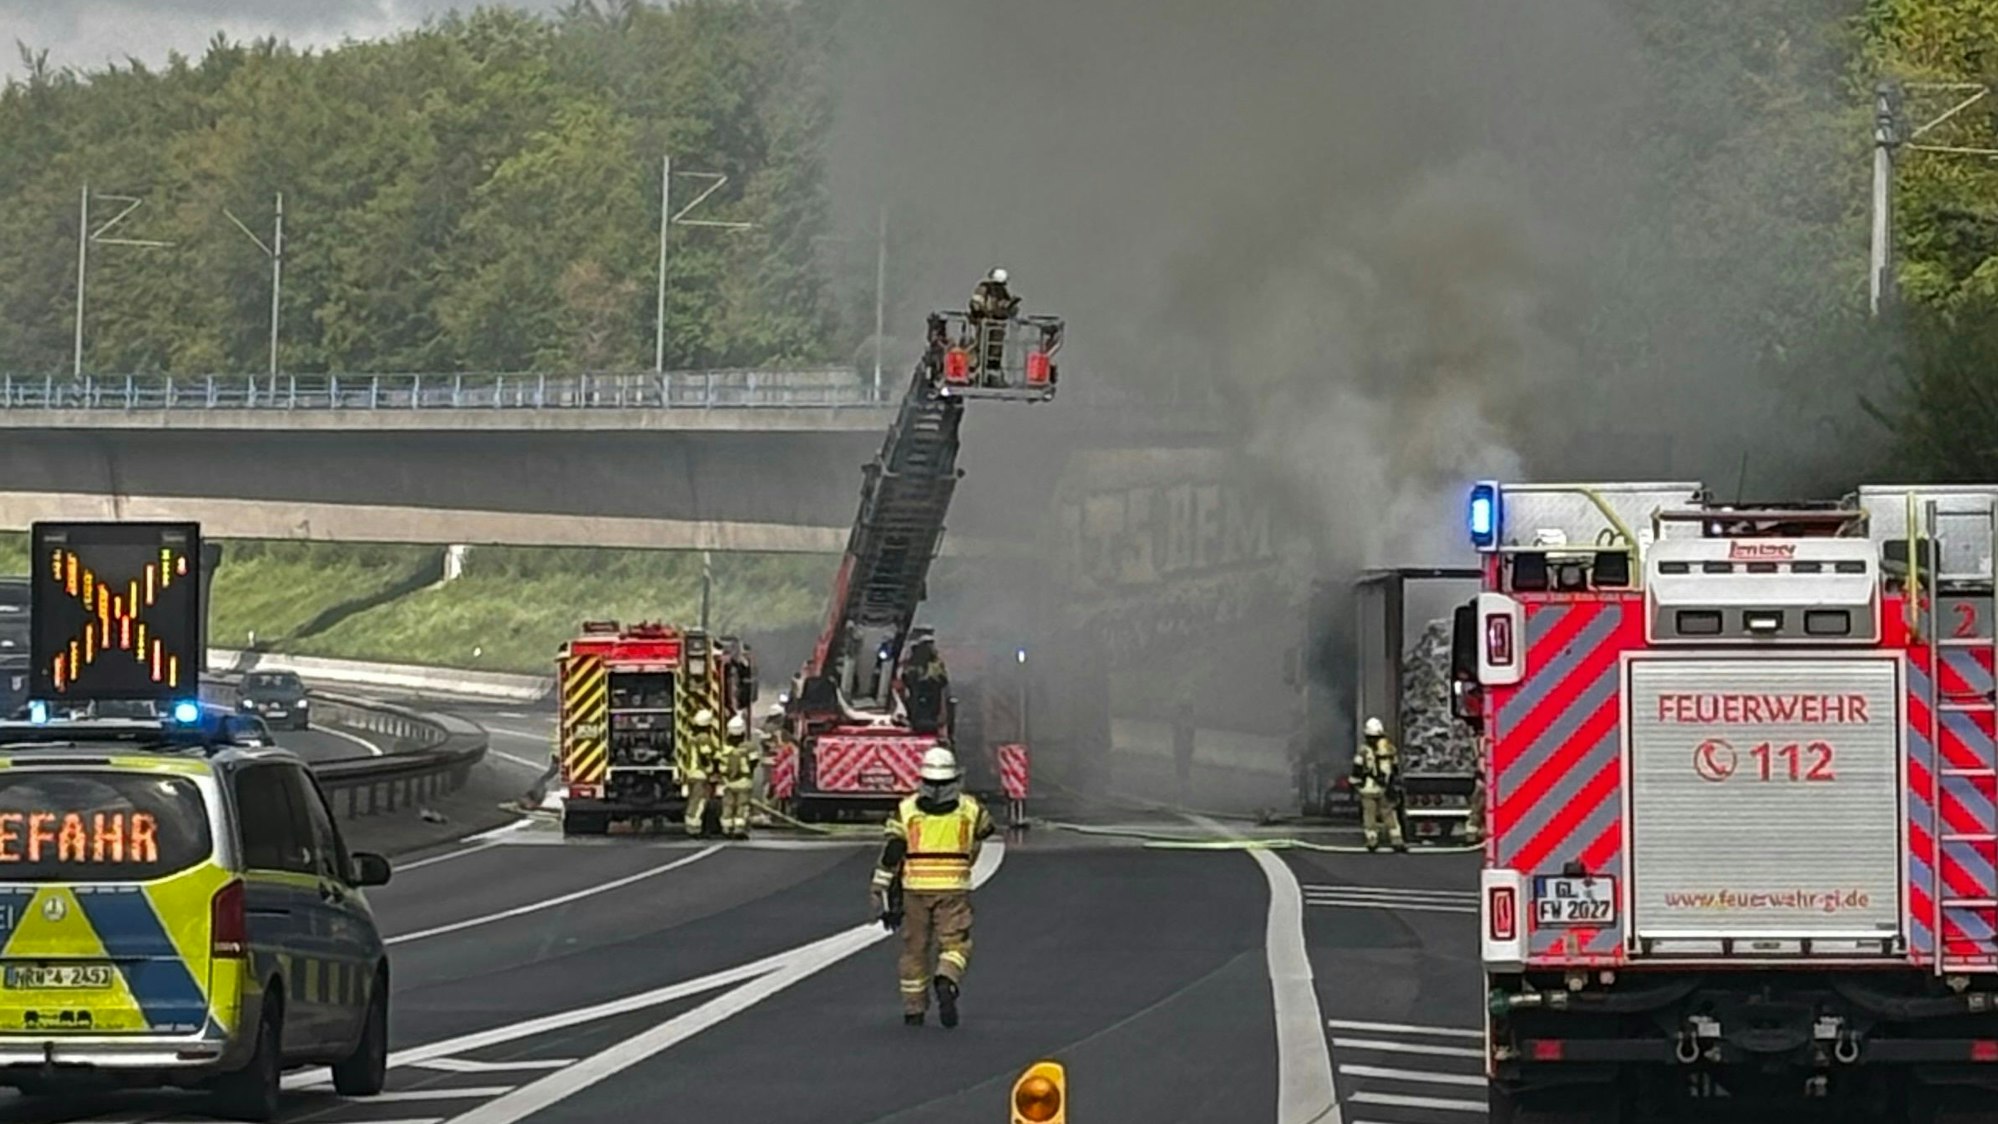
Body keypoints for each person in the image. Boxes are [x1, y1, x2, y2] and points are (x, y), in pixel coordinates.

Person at [869, 745, 995, 1028]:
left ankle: (914, 1010)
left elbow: (893, 849)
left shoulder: (907, 808)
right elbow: (986, 830)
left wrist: (881, 886)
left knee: (914, 948)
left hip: (914, 887)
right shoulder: (970, 808)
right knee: (956, 943)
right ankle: (946, 977)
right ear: (954, 778)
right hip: (952, 887)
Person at [1353, 716, 1407, 852]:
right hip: (1385, 788)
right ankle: (1397, 840)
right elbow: (1395, 768)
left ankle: (1372, 841)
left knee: (1369, 815)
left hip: (1368, 789)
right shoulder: (1389, 749)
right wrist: (1393, 784)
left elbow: (1357, 769)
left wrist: (1355, 783)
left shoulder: (1363, 751)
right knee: (1389, 814)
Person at [681, 708, 721, 837]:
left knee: (694, 801)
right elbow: (705, 756)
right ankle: (695, 828)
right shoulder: (703, 738)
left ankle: (692, 826)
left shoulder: (692, 737)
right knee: (699, 802)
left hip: (692, 773)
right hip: (700, 774)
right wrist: (712, 770)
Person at [900, 635, 951, 735]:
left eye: (930, 645)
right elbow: (906, 677)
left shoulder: (936, 662)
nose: (929, 648)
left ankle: (926, 723)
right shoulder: (913, 661)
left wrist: (932, 680)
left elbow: (943, 679)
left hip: (932, 692)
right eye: (927, 645)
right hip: (917, 692)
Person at [717, 714, 755, 839]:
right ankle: (739, 829)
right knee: (742, 806)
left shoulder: (724, 748)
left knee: (728, 805)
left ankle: (726, 828)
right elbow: (754, 761)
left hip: (728, 782)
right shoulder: (749, 747)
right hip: (744, 781)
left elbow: (717, 762)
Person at [1172, 701, 1196, 806]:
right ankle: (1184, 788)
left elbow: (1185, 736)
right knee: (1183, 769)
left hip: (1183, 748)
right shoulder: (1186, 722)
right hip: (1183, 748)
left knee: (1183, 769)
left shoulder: (1184, 723)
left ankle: (1183, 789)